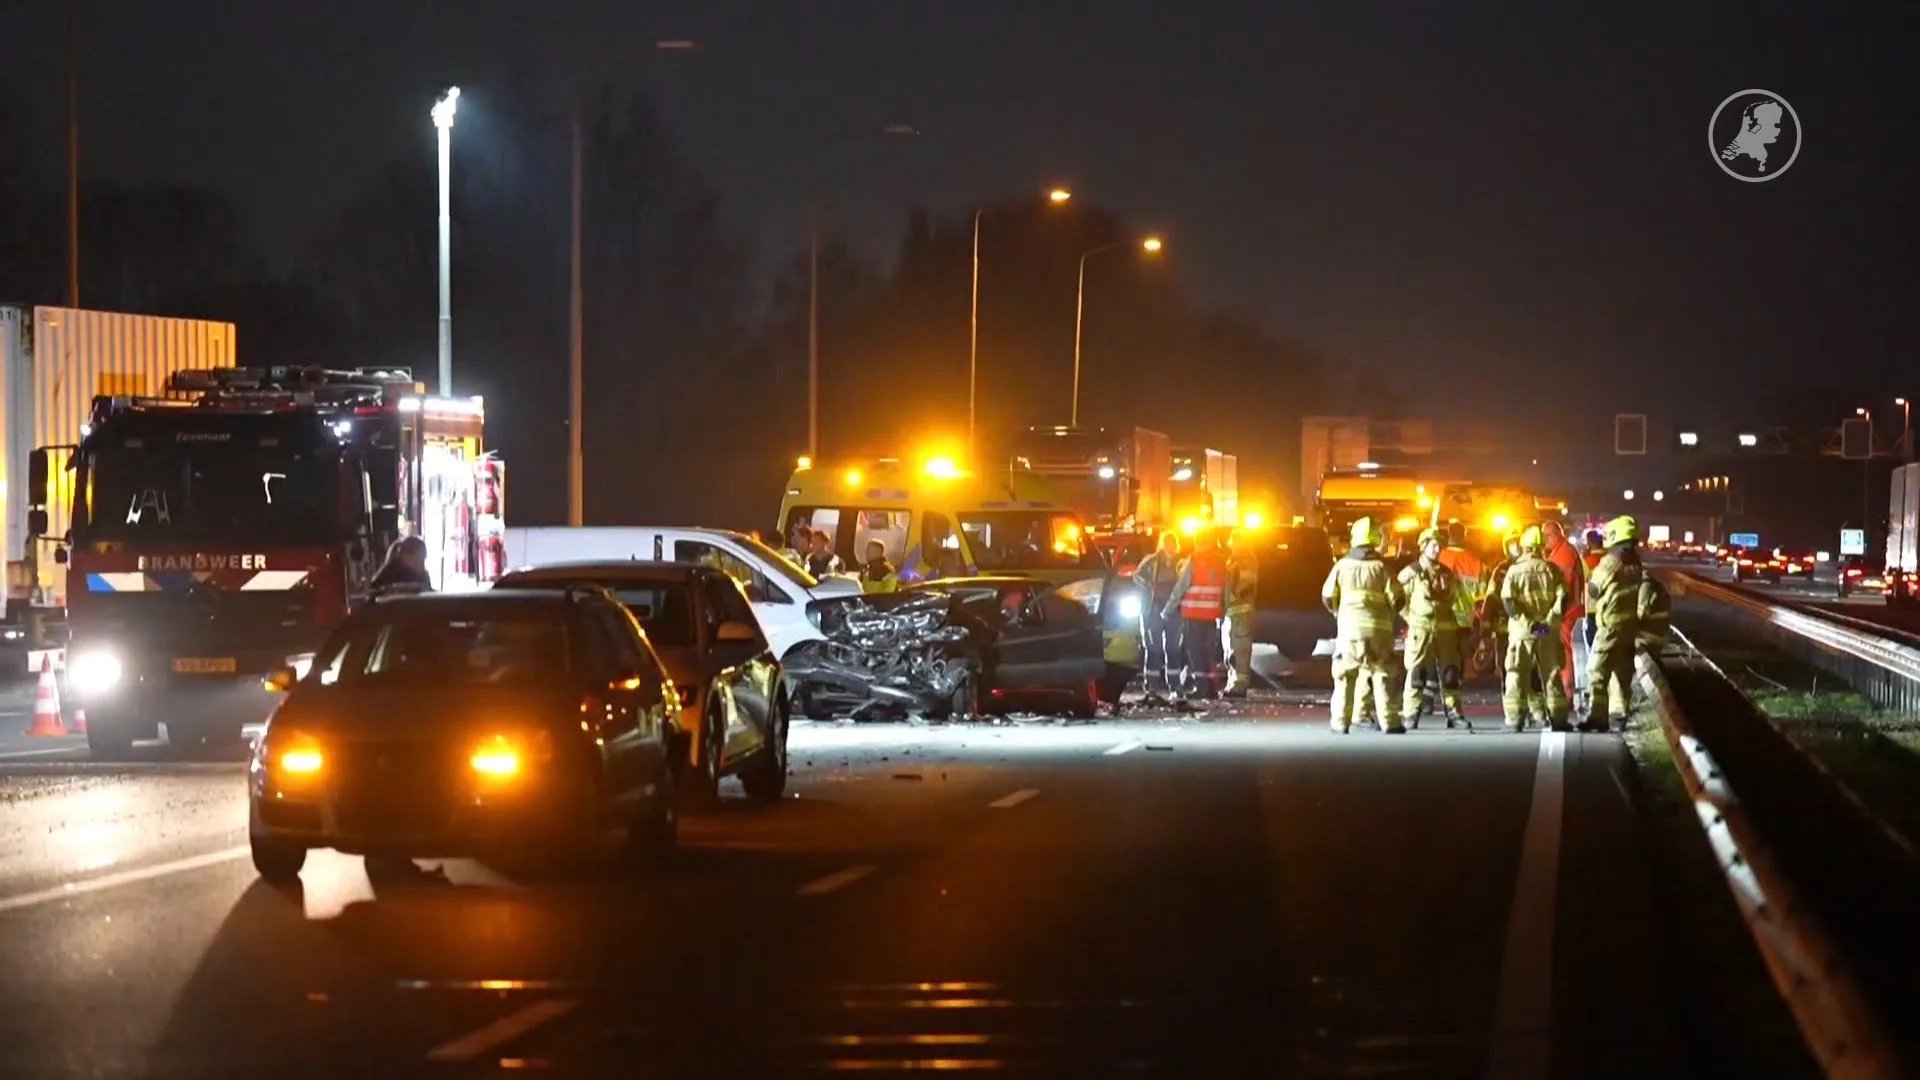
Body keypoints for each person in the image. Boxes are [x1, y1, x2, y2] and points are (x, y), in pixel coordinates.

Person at [1321, 517, 1406, 734]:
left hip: (1349, 631)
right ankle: (1390, 723)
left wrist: (1338, 612)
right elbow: (1398, 599)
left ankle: (1340, 723)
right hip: (1379, 631)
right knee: (1383, 674)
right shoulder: (1382, 568)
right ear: (1376, 539)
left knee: (1345, 675)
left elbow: (1328, 596)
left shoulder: (1341, 566)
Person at [1501, 526, 1570, 732]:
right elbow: (1563, 599)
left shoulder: (1514, 571)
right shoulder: (1553, 570)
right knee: (1552, 674)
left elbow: (1509, 603)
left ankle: (1515, 720)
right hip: (1548, 632)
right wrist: (1548, 621)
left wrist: (1529, 624)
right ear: (1541, 547)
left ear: (1524, 546)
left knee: (1516, 673)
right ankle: (1558, 718)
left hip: (1522, 632)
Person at [1398, 527, 1468, 729]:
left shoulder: (1447, 574)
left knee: (1450, 674)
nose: (1437, 549)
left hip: (1446, 632)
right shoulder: (1411, 573)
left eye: (1439, 545)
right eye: (1433, 545)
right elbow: (1397, 600)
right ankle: (1411, 714)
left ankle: (1454, 714)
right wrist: (1411, 618)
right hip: (1420, 631)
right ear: (1423, 547)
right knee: (1416, 673)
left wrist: (1463, 626)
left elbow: (1456, 599)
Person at [1585, 515, 1645, 733]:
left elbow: (1593, 589)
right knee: (1621, 674)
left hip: (1610, 626)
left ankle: (1598, 717)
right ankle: (1618, 717)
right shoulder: (1635, 564)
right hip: (1630, 628)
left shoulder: (1610, 562)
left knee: (1596, 671)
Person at [1164, 529, 1228, 700]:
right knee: (1209, 652)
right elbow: (1226, 589)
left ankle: (1202, 687)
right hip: (1212, 615)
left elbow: (1180, 587)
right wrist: (1223, 611)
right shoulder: (1221, 562)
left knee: (1195, 652)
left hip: (1194, 614)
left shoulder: (1194, 561)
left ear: (1198, 542)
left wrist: (1167, 610)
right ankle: (1213, 689)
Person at [1132, 531, 1186, 700]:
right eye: (1168, 542)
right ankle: (1151, 687)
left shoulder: (1181, 563)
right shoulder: (1151, 561)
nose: (1170, 546)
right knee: (1153, 648)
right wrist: (1149, 585)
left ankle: (1174, 686)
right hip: (1153, 609)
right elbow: (1137, 576)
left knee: (1173, 649)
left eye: (1173, 543)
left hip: (1173, 610)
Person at [1540, 521, 1586, 706]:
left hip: (1567, 613)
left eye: (1548, 536)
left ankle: (1567, 693)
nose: (1545, 540)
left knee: (1564, 653)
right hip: (1568, 611)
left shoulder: (1564, 554)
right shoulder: (1561, 552)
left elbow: (1562, 588)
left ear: (1557, 534)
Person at [1479, 531, 1524, 680]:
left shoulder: (1532, 566)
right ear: (1507, 547)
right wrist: (1486, 624)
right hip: (1504, 625)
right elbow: (1491, 596)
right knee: (1505, 662)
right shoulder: (1501, 570)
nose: (1516, 547)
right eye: (1512, 544)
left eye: (1518, 542)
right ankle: (1507, 688)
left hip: (1526, 624)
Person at [1223, 528, 1261, 699]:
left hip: (1240, 611)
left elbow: (1245, 583)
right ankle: (1233, 683)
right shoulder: (1235, 560)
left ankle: (1240, 685)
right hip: (1233, 612)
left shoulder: (1245, 560)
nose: (1232, 543)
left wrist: (1232, 596)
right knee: (1232, 650)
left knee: (1240, 651)